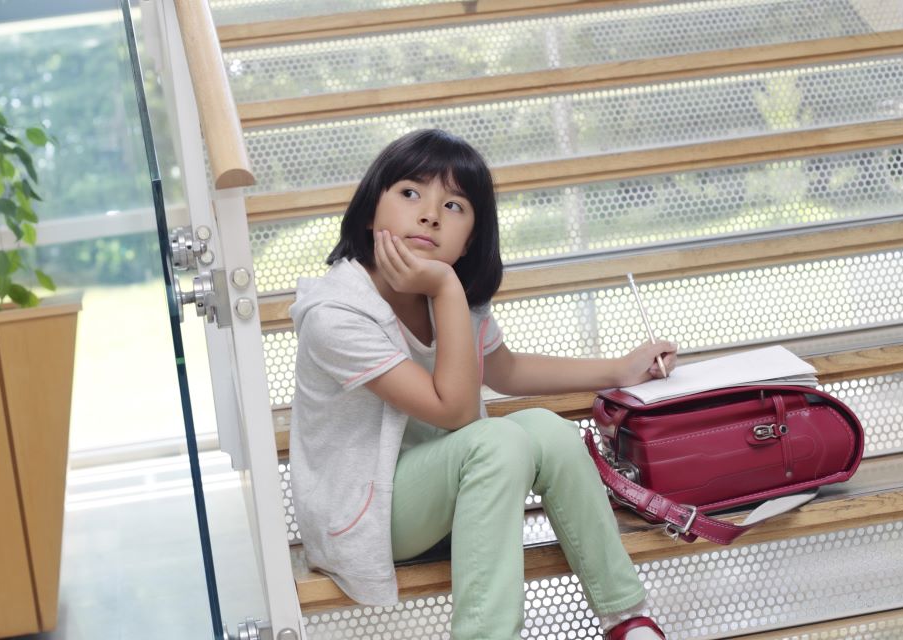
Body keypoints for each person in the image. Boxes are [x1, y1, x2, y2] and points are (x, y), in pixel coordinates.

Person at [288, 129, 678, 640]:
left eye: (454, 206)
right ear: (369, 211)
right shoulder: (336, 314)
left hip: (455, 492)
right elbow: (450, 410)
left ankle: (626, 618)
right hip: (368, 516)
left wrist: (618, 370)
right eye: (410, 193)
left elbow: (506, 371)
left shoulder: (450, 293)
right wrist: (445, 287)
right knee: (496, 439)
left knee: (547, 428)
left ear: (471, 236)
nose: (429, 214)